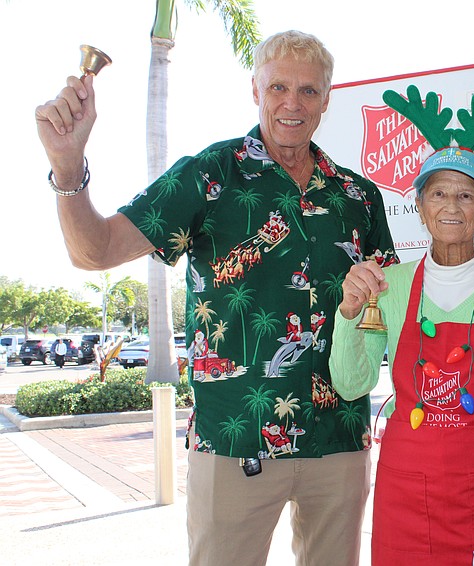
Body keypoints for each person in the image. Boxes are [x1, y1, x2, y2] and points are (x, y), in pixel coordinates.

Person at [35, 30, 397, 566]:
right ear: (255, 90)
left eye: (308, 90)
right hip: (234, 446)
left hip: (339, 441)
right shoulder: (211, 174)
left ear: (327, 98)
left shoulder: (358, 196)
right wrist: (68, 168)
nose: (292, 103)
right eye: (278, 87)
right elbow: (96, 250)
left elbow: (387, 314)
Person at [329, 98, 474, 563]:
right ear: (419, 205)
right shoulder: (389, 287)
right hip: (405, 494)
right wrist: (348, 312)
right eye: (438, 194)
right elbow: (352, 384)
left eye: (466, 195)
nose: (451, 206)